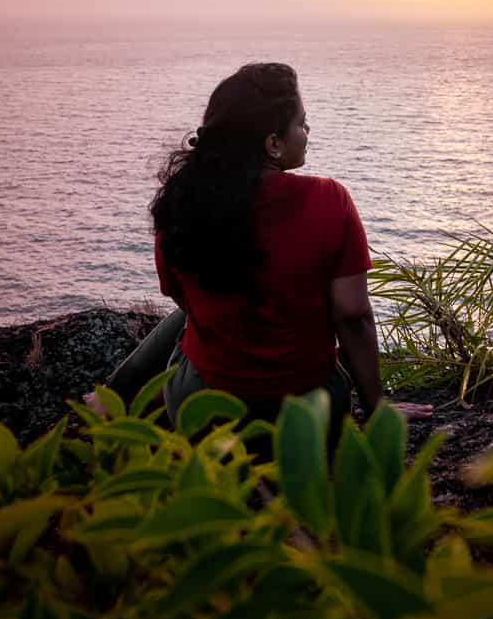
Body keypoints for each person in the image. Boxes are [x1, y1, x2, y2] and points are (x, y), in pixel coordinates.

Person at [84, 62, 432, 450]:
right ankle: (112, 398)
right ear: (273, 144)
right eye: (301, 122)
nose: (308, 131)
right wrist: (376, 408)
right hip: (309, 417)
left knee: (191, 317)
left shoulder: (184, 202)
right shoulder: (330, 200)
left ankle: (111, 401)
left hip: (205, 414)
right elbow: (352, 315)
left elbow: (179, 295)